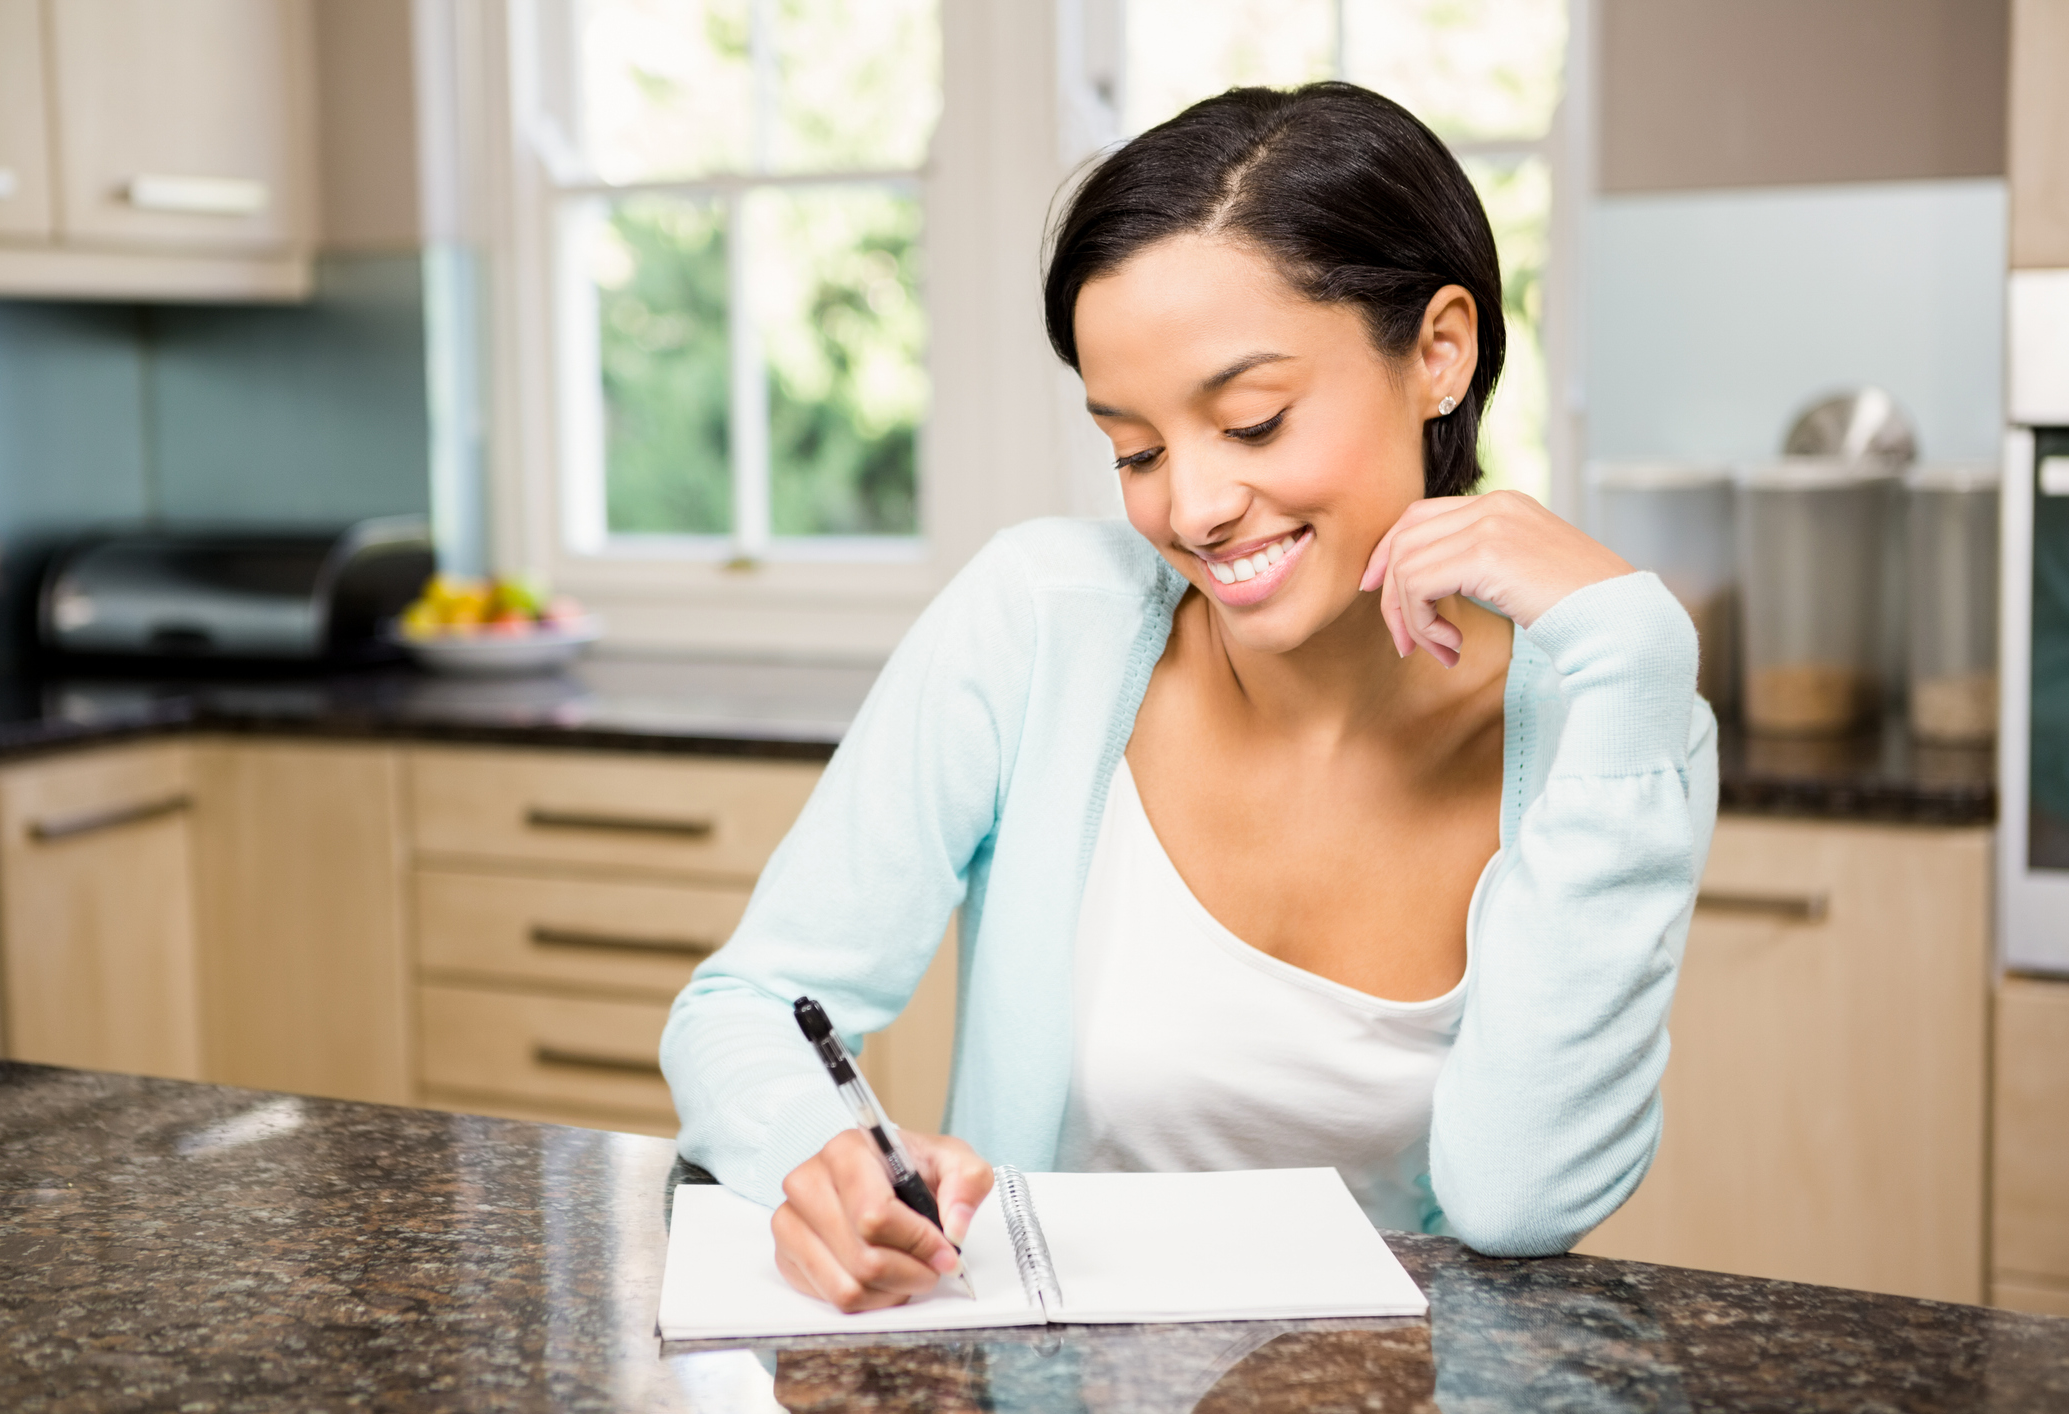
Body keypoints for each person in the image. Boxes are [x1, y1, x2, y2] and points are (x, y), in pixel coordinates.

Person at [660, 82, 1717, 1313]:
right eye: (1137, 451)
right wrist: (819, 1156)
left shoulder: (1610, 727)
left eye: (1253, 422)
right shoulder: (1041, 620)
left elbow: (1518, 1198)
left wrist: (1638, 643)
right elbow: (746, 1005)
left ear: (1440, 351)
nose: (1195, 508)